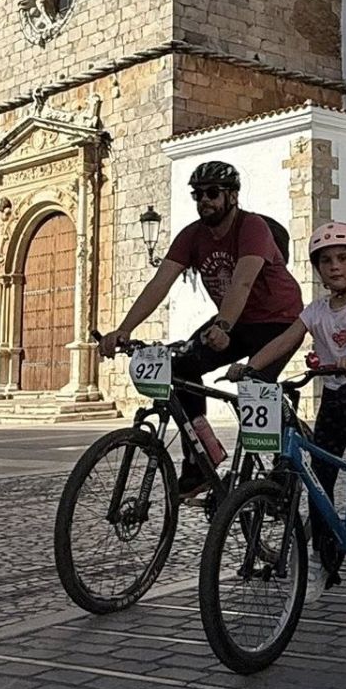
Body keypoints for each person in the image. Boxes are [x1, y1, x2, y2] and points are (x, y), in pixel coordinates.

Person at [97, 160, 303, 494]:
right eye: (198, 194)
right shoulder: (192, 236)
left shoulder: (251, 228)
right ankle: (201, 458)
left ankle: (282, 466)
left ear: (232, 196)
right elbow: (159, 283)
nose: (204, 200)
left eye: (212, 193)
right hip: (236, 320)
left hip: (279, 319)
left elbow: (243, 283)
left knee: (254, 384)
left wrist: (223, 326)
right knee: (181, 367)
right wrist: (123, 329)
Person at [229, 221, 346, 593]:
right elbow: (286, 340)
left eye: (342, 258)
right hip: (336, 396)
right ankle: (323, 559)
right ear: (317, 269)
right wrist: (251, 367)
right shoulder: (315, 312)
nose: (334, 266)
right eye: (325, 261)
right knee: (320, 475)